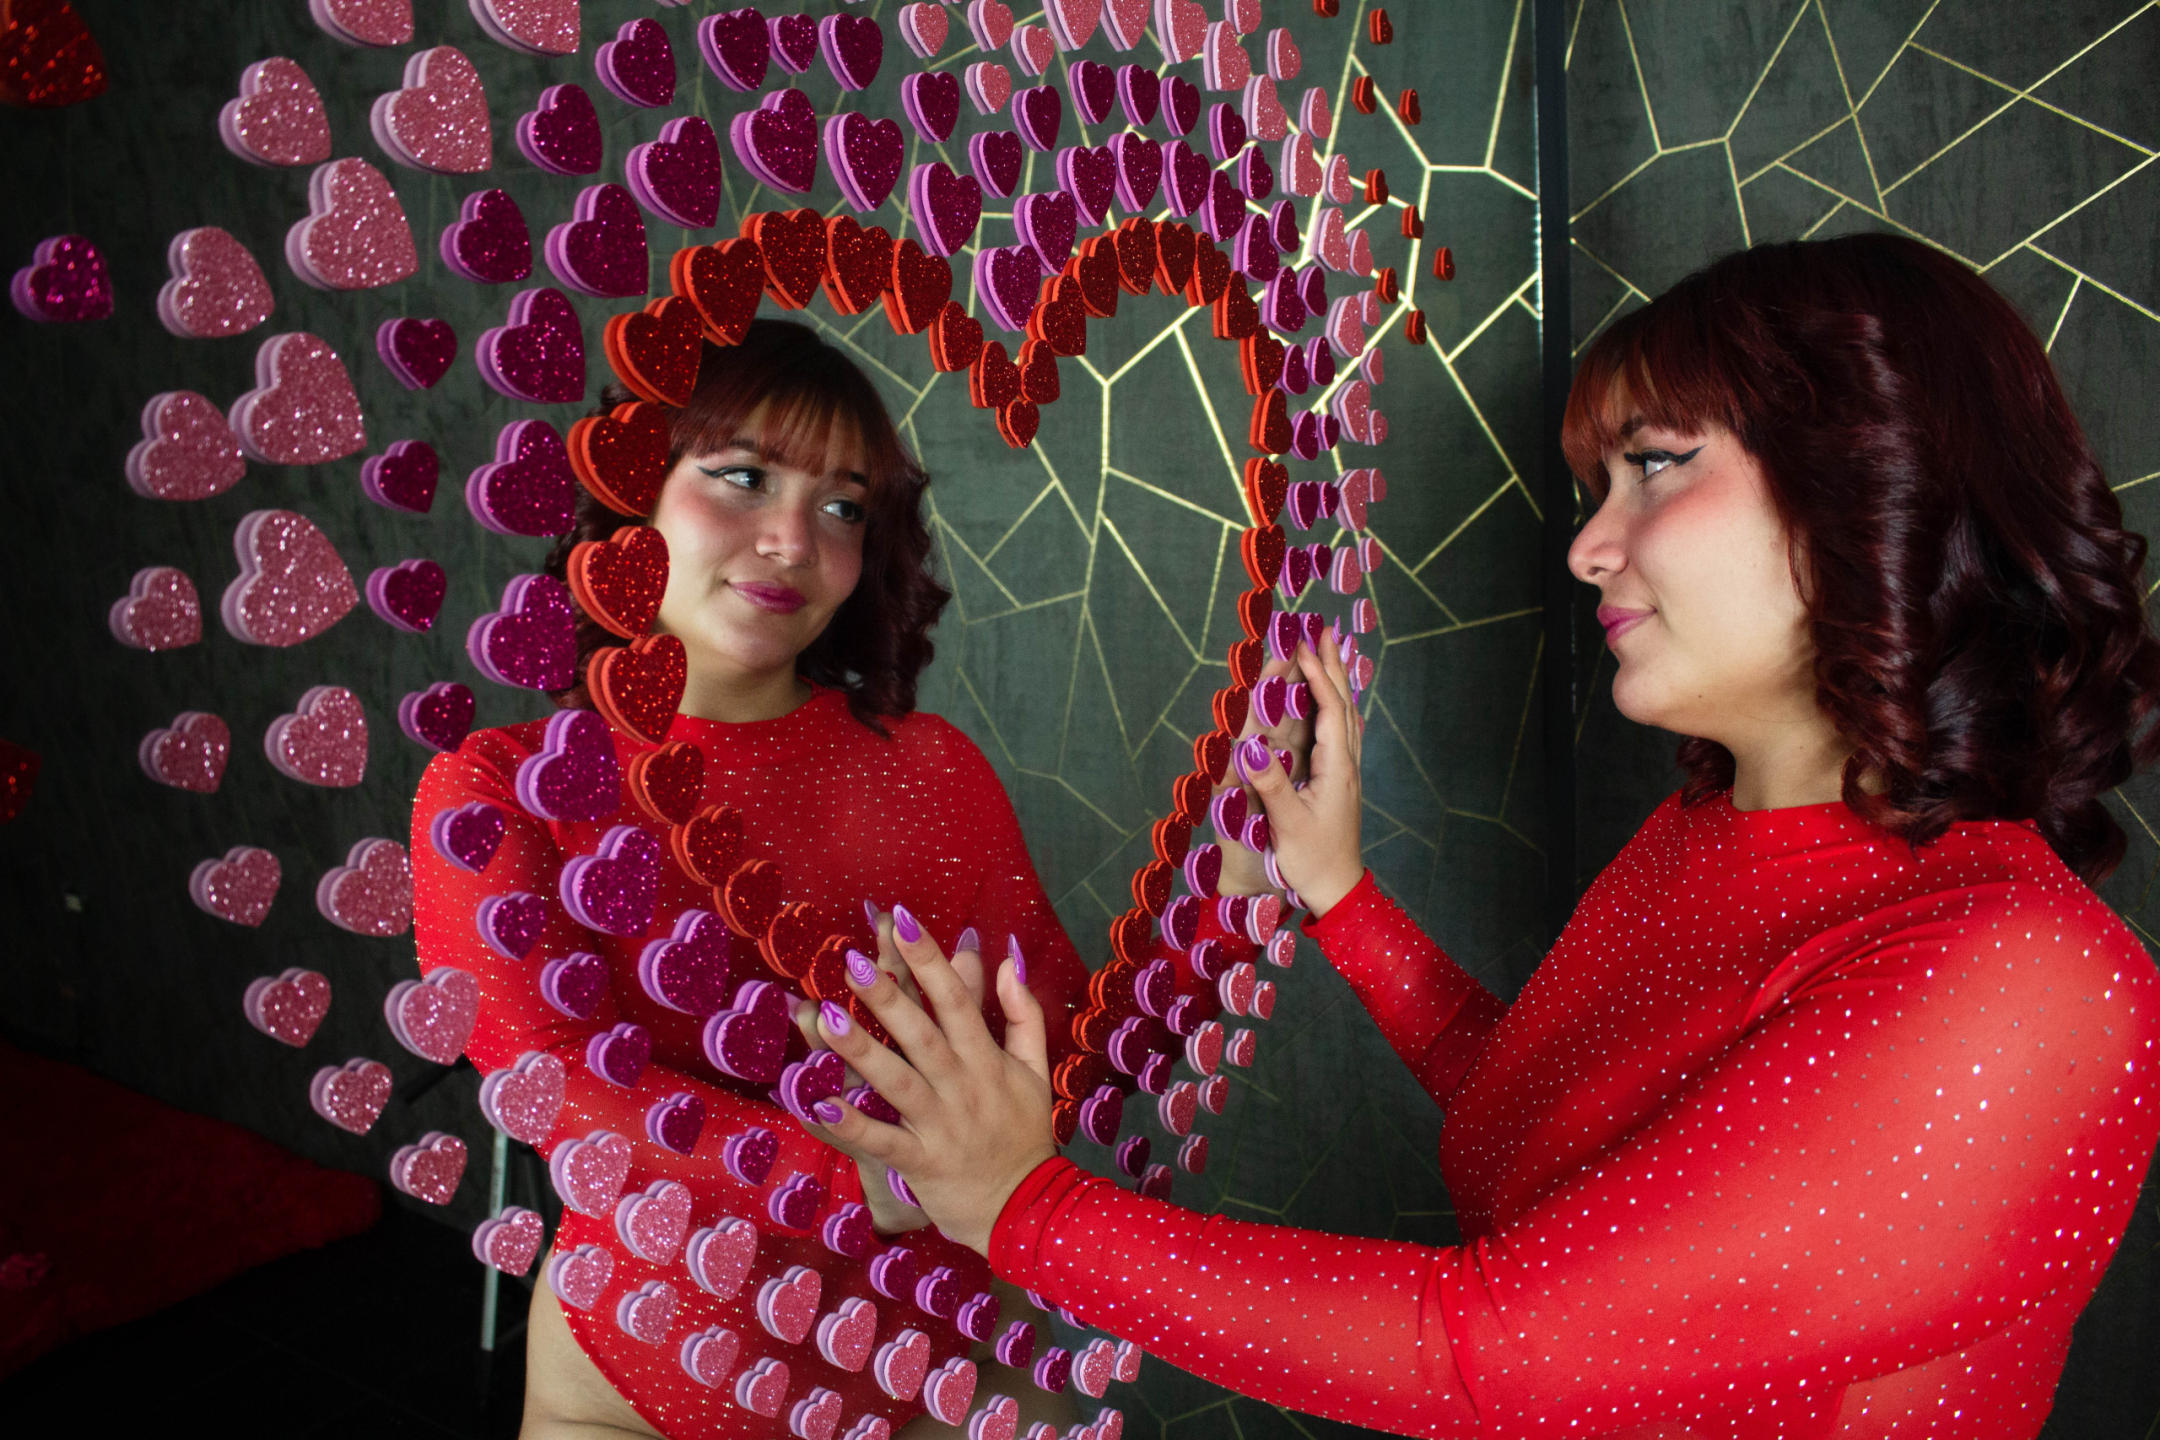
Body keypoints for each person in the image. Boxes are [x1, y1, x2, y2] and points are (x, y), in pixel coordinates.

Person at [797, 234, 2160, 1439]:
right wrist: (1343, 899)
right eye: (1600, 485)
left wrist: (1024, 1209)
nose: (1588, 548)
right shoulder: (1706, 835)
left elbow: (1495, 1354)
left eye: (1654, 467)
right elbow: (1547, 1136)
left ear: (1875, 480)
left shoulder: (2025, 980)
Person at [410, 320, 1101, 1439]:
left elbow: (1055, 1042)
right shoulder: (499, 789)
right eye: (742, 477)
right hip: (642, 1392)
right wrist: (870, 1179)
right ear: (631, 492)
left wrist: (1231, 906)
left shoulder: (933, 768)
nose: (791, 540)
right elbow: (552, 1085)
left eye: (844, 508)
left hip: (948, 1369)